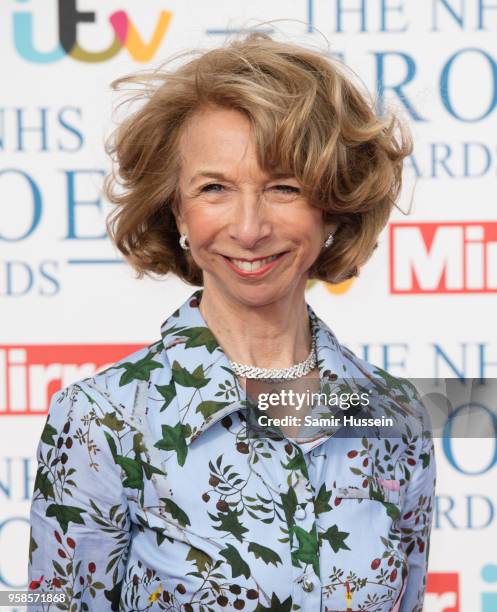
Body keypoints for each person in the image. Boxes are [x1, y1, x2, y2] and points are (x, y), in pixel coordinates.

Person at [28, 33, 436, 611]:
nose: (249, 228)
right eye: (214, 188)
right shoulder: (104, 421)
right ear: (178, 211)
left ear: (332, 209)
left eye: (283, 188)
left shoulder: (395, 417)